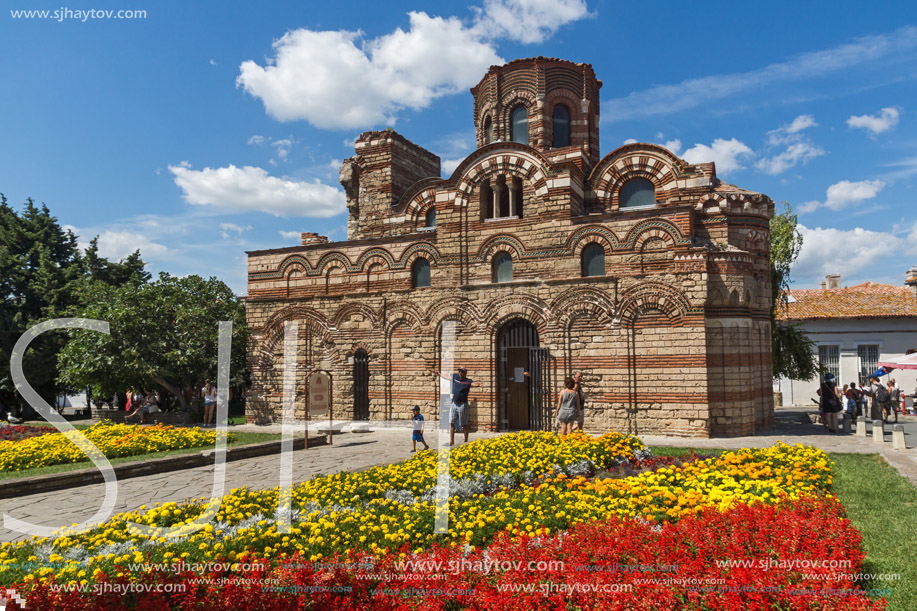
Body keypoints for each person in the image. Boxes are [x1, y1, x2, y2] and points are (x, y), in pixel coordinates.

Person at [432, 366, 480, 446]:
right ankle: (451, 441)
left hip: (463, 405)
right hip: (454, 404)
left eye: (462, 372)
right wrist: (439, 374)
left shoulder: (467, 381)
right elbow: (447, 377)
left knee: (464, 424)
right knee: (452, 422)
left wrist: (478, 384)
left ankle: (466, 440)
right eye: (460, 371)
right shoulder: (455, 377)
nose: (460, 373)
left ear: (465, 373)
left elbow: (473, 384)